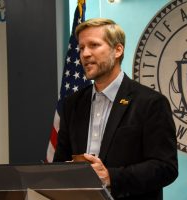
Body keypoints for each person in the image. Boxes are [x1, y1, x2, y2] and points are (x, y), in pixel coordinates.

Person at [53, 18, 178, 200]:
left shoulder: (150, 103)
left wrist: (111, 177)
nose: (85, 54)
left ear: (118, 50)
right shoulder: (72, 104)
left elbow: (166, 167)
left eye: (94, 45)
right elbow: (60, 163)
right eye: (81, 48)